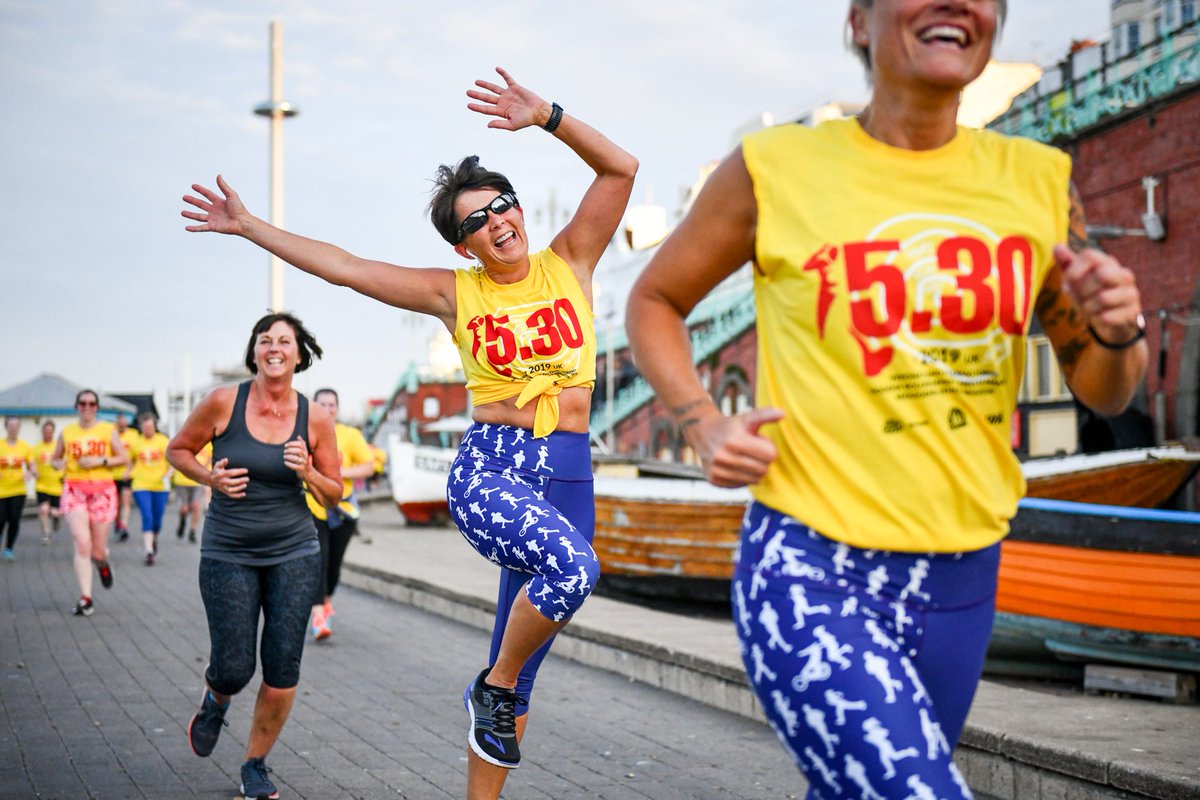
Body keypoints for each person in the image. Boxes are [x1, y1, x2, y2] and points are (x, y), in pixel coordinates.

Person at [625, 2, 1147, 798]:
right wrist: (702, 422)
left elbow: (1103, 389)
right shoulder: (774, 167)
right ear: (860, 21)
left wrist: (1118, 331)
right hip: (811, 566)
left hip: (963, 577)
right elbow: (655, 299)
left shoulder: (1037, 180)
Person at [181, 66, 636, 800]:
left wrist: (548, 116)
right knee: (572, 574)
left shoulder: (571, 260)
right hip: (495, 468)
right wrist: (250, 226)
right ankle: (491, 686)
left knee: (521, 670)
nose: (497, 222)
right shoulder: (455, 293)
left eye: (502, 205)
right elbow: (346, 268)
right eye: (476, 221)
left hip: (571, 472)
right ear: (463, 246)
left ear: (519, 208)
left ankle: (494, 706)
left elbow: (621, 169)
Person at [166, 312, 342, 800]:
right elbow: (178, 450)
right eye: (266, 340)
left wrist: (308, 472)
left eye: (284, 341)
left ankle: (254, 765)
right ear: (255, 352)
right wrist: (210, 477)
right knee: (234, 667)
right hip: (228, 550)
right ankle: (215, 699)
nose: (274, 348)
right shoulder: (223, 402)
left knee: (283, 669)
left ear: (299, 355)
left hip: (294, 551)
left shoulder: (316, 417)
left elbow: (334, 493)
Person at [305, 388, 375, 641]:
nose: (327, 408)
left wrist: (337, 472)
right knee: (318, 559)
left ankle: (326, 602)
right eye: (322, 404)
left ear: (338, 408)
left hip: (343, 509)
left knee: (333, 564)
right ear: (314, 406)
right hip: (313, 506)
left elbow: (368, 467)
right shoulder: (305, 432)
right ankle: (318, 616)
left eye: (331, 404)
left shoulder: (350, 435)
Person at [53, 390, 129, 615]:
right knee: (82, 544)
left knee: (97, 551)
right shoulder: (67, 432)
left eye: (92, 403)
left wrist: (100, 460)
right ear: (77, 406)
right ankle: (86, 598)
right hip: (74, 489)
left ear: (97, 407)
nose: (87, 407)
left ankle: (103, 564)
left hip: (102, 491)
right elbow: (56, 458)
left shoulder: (107, 430)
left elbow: (124, 458)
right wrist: (58, 464)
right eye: (83, 403)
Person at [128, 412, 172, 565]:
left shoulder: (163, 441)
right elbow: (131, 460)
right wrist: (128, 472)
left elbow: (172, 461)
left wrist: (169, 474)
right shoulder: (136, 442)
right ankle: (148, 551)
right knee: (147, 515)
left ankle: (154, 538)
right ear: (141, 427)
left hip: (160, 486)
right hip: (140, 485)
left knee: (157, 520)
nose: (148, 430)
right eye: (145, 427)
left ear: (155, 427)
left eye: (150, 427)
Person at [0, 416, 34, 561]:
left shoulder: (25, 447)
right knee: (0, 519)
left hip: (18, 490)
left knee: (14, 519)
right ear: (6, 427)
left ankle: (8, 549)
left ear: (19, 428)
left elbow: (32, 465)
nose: (13, 429)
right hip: (1, 490)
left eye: (16, 426)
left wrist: (30, 472)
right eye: (11, 426)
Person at [33, 420, 64, 545]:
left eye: (50, 431)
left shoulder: (58, 447)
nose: (47, 433)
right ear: (42, 432)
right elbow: (32, 464)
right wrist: (34, 472)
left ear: (53, 432)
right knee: (43, 509)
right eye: (45, 431)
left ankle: (56, 518)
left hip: (57, 485)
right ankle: (46, 534)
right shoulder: (36, 448)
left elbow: (65, 462)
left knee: (55, 511)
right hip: (42, 484)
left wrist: (64, 475)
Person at [172, 442, 211, 543]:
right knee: (184, 508)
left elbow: (210, 457)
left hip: (198, 481)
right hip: (182, 480)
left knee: (196, 506)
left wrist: (202, 470)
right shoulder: (184, 440)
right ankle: (182, 520)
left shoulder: (207, 443)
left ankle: (192, 531)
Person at [111, 412, 138, 542]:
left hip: (127, 474)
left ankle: (123, 526)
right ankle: (117, 522)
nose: (122, 425)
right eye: (119, 423)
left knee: (126, 500)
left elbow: (135, 457)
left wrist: (129, 470)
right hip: (112, 474)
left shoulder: (133, 435)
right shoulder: (111, 433)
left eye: (124, 423)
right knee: (116, 503)